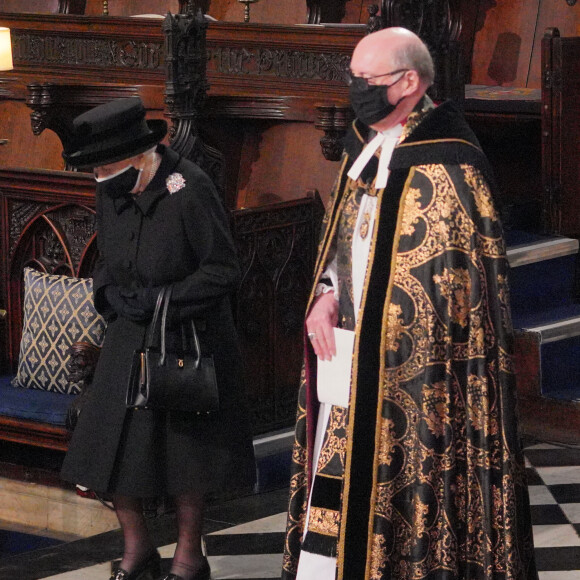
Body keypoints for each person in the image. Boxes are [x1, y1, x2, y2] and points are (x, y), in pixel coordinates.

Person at [281, 28, 538, 580]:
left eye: (366, 80)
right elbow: (344, 243)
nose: (355, 90)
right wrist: (326, 294)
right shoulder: (361, 145)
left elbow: (462, 295)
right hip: (351, 370)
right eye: (352, 78)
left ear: (410, 82)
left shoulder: (452, 163)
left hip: (420, 383)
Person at [60, 96, 256, 580]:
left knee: (186, 459)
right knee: (105, 451)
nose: (99, 178)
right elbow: (106, 258)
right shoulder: (112, 188)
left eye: (105, 167)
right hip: (130, 334)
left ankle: (189, 558)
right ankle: (138, 550)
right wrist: (110, 295)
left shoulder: (189, 188)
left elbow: (224, 269)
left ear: (136, 155)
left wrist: (163, 299)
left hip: (188, 338)